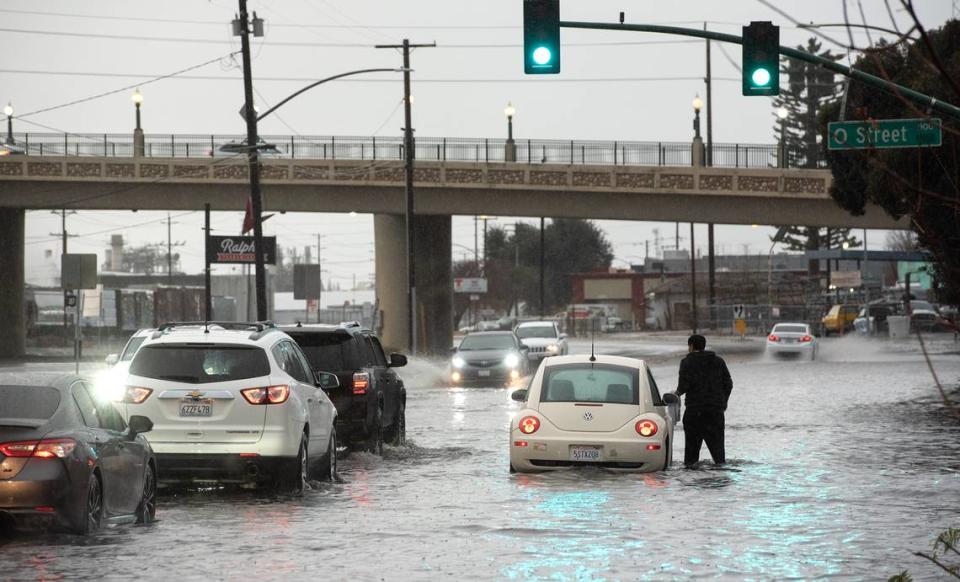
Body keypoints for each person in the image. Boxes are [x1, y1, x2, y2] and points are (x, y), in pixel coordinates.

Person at [675, 334, 733, 466]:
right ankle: (720, 479)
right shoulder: (719, 361)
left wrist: (676, 394)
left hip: (694, 412)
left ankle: (691, 480)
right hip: (715, 412)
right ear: (704, 345)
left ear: (690, 346)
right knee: (719, 455)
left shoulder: (686, 362)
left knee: (691, 456)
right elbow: (728, 384)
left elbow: (684, 386)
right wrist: (723, 402)